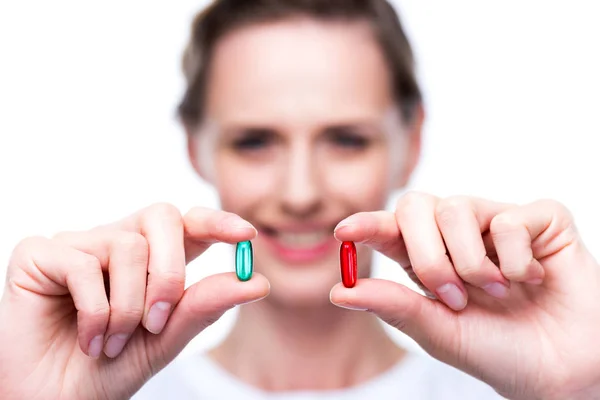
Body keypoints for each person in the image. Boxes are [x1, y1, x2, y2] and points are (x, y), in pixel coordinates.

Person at [2, 0, 600, 399]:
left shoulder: (521, 389)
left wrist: (579, 387)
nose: (300, 193)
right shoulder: (100, 387)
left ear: (412, 140)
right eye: (255, 140)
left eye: (346, 139)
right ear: (195, 147)